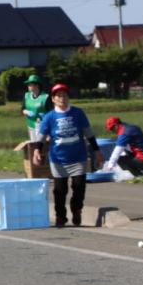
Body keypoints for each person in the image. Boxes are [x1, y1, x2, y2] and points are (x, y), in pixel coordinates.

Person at [32, 83, 104, 227]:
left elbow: (88, 133)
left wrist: (97, 151)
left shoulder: (78, 113)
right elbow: (41, 136)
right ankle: (61, 217)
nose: (62, 98)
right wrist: (36, 150)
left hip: (78, 157)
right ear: (53, 99)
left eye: (64, 95)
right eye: (58, 96)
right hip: (58, 159)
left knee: (79, 187)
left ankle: (76, 210)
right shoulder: (49, 117)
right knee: (60, 190)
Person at [22, 74, 52, 142]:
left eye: (30, 84)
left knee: (41, 144)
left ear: (37, 85)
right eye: (28, 84)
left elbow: (51, 112)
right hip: (31, 125)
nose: (28, 86)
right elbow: (23, 108)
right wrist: (26, 112)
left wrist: (45, 117)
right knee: (33, 144)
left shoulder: (45, 97)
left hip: (43, 126)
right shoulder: (26, 96)